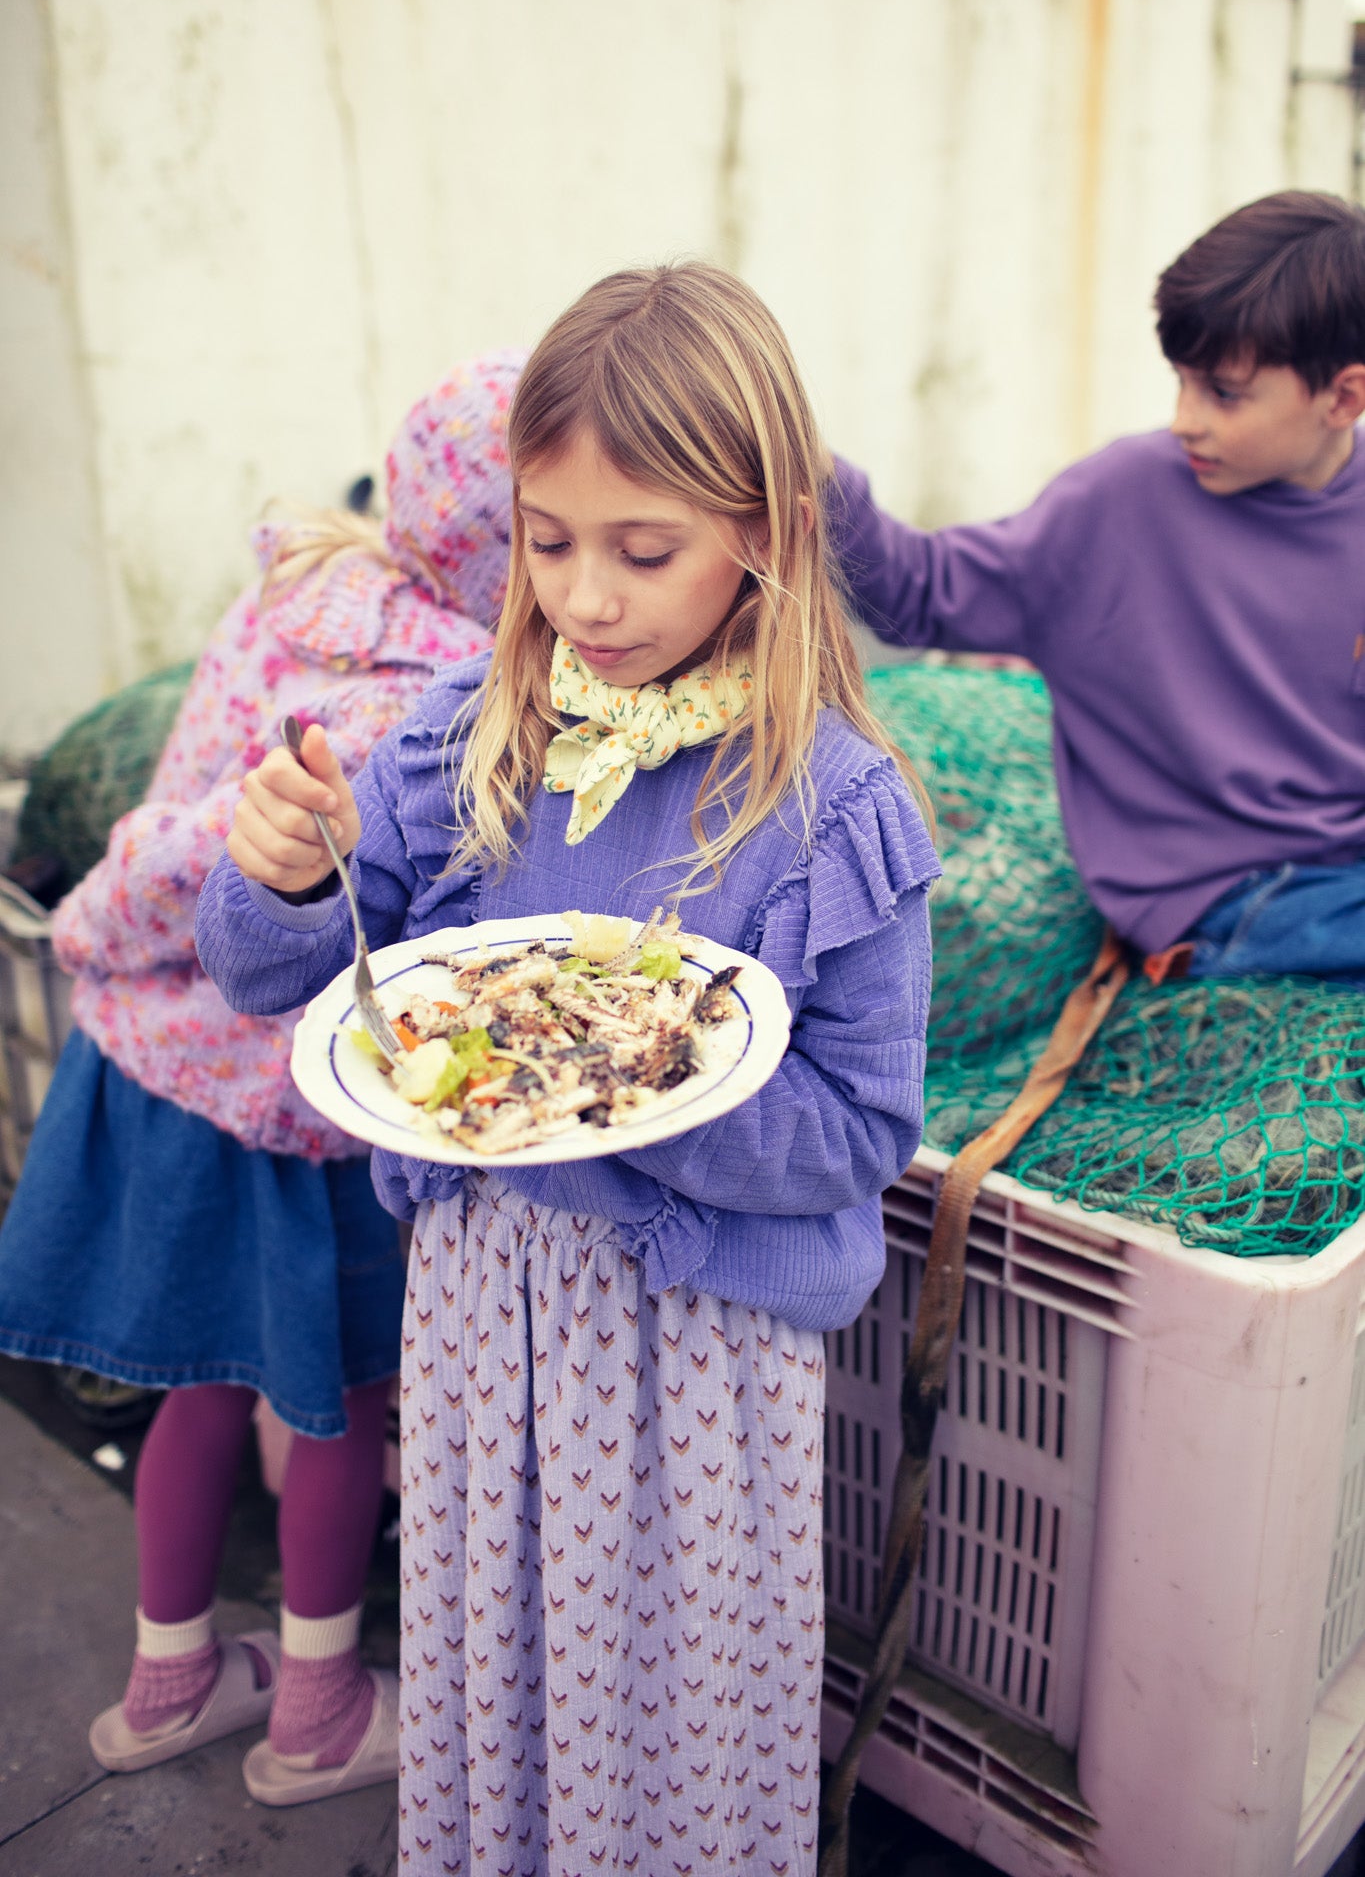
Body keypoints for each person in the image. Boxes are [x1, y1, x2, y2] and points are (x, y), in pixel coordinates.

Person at [195, 262, 940, 1875]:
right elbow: (292, 982)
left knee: (667, 1700)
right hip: (481, 1306)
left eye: (643, 547)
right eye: (549, 540)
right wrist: (283, 872)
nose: (587, 596)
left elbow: (856, 1130)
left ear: (768, 526)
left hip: (699, 1347)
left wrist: (629, 1089)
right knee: (503, 1668)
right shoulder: (468, 729)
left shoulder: (837, 805)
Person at [0, 352, 524, 1805]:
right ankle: (316, 1713)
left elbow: (172, 796)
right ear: (517, 542)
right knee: (340, 1404)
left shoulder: (292, 593)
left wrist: (115, 920)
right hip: (293, 1121)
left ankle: (169, 1682)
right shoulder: (451, 690)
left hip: (150, 1063)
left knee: (202, 1389)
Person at [830, 189, 1365, 983]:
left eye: (1221, 392)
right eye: (1181, 381)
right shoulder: (1119, 502)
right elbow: (919, 593)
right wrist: (812, 476)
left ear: (1343, 397)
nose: (1185, 418)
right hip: (1216, 892)